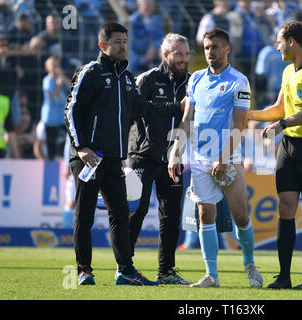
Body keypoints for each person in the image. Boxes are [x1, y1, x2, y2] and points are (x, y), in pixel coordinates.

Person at [64, 22, 183, 286]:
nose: (123, 46)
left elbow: (146, 109)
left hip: (114, 159)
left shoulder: (128, 78)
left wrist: (178, 107)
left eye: (125, 41)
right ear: (102, 45)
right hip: (89, 157)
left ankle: (125, 270)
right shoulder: (90, 72)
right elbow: (71, 111)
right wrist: (81, 147)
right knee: (85, 215)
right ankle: (84, 270)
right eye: (117, 41)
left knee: (120, 214)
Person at [168, 28, 263, 288]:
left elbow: (240, 123)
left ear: (227, 49)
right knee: (205, 214)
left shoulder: (239, 81)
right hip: (199, 158)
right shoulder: (196, 79)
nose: (210, 51)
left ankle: (250, 263)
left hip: (228, 158)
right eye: (207, 47)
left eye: (216, 47)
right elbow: (187, 120)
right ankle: (212, 275)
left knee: (240, 215)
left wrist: (222, 159)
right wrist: (175, 152)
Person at [249, 21, 302, 289]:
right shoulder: (287, 71)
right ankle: (284, 277)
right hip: (290, 146)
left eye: (279, 41)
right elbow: (279, 108)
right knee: (285, 206)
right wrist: (248, 114)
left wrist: (282, 124)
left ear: (292, 42)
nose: (277, 46)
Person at [128, 33, 192, 285]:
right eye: (178, 54)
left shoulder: (192, 83)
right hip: (143, 157)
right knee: (138, 210)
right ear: (165, 55)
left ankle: (166, 272)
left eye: (186, 54)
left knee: (171, 215)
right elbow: (130, 112)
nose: (183, 59)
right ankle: (126, 267)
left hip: (172, 160)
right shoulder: (146, 80)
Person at [41, 56, 70, 160]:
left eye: (57, 65)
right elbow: (52, 96)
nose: (56, 68)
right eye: (53, 66)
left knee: (63, 142)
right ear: (47, 68)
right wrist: (59, 84)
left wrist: (63, 77)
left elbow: (72, 86)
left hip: (61, 119)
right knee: (51, 144)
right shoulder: (47, 80)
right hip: (50, 119)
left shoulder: (61, 78)